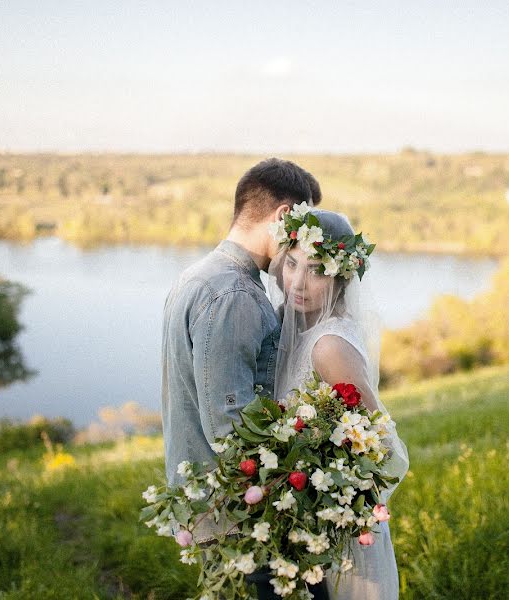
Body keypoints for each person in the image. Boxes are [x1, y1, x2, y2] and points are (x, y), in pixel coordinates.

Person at [160, 158, 320, 545]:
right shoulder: (233, 294)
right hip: (231, 516)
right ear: (283, 215)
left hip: (209, 508)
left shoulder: (200, 275)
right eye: (303, 227)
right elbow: (229, 423)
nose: (304, 241)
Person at [267, 206, 409, 600]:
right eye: (292, 263)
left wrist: (332, 501)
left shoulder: (328, 345)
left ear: (341, 277)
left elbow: (386, 449)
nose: (297, 281)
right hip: (302, 526)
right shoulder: (295, 326)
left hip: (337, 535)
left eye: (316, 270)